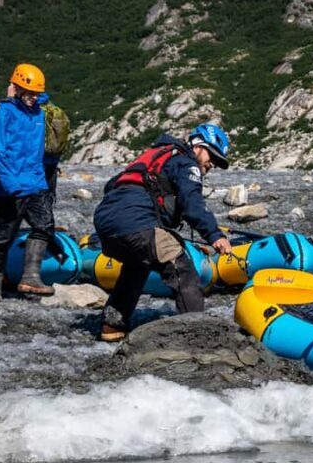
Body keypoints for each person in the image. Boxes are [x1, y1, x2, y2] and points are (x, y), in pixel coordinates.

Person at [93, 123, 233, 341]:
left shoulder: (158, 155)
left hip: (105, 223)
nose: (212, 164)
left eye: (217, 161)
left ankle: (112, 326)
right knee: (182, 268)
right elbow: (193, 205)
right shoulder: (187, 164)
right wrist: (215, 235)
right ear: (197, 146)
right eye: (211, 156)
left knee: (138, 264)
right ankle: (197, 336)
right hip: (136, 222)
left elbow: (113, 185)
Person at [0, 63, 55, 301]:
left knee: (44, 226)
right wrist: (9, 182)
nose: (33, 97)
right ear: (17, 88)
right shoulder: (3, 113)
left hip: (35, 183)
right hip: (10, 186)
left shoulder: (39, 113)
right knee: (2, 237)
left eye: (36, 93)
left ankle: (30, 277)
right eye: (29, 93)